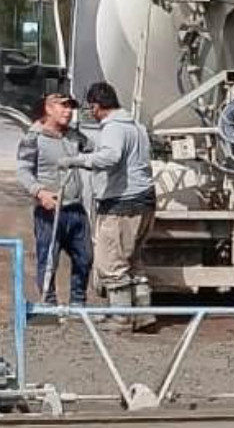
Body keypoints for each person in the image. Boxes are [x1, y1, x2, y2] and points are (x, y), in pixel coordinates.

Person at [59, 82, 157, 333]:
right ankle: (143, 315)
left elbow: (111, 156)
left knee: (110, 262)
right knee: (133, 261)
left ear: (97, 105)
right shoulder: (136, 126)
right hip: (145, 201)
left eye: (90, 107)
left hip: (123, 204)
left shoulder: (114, 127)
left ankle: (121, 317)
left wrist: (77, 160)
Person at [15, 93, 93, 308]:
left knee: (84, 258)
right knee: (48, 259)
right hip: (50, 210)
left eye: (71, 107)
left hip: (75, 208)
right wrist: (40, 192)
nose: (68, 112)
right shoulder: (33, 138)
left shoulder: (75, 137)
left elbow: (95, 152)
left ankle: (78, 304)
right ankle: (48, 304)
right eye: (63, 106)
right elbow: (22, 172)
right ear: (49, 109)